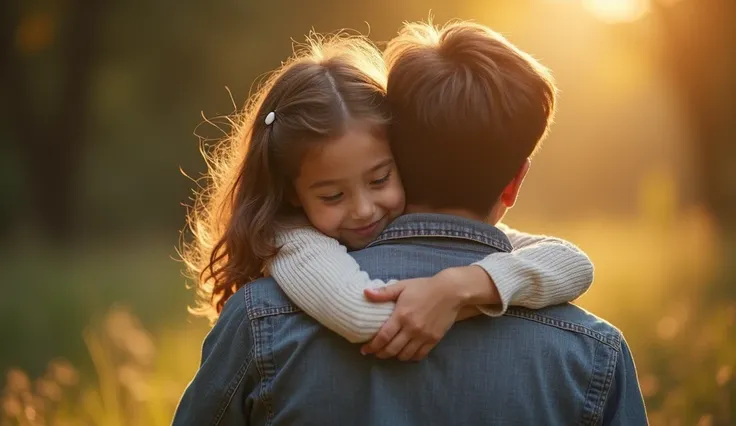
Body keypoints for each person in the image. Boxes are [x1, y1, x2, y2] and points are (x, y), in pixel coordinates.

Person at [174, 20, 648, 426]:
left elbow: (569, 261)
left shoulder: (260, 318)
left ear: (396, 153)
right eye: (334, 193)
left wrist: (461, 288)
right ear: (514, 182)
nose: (361, 209)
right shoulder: (593, 352)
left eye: (376, 179)